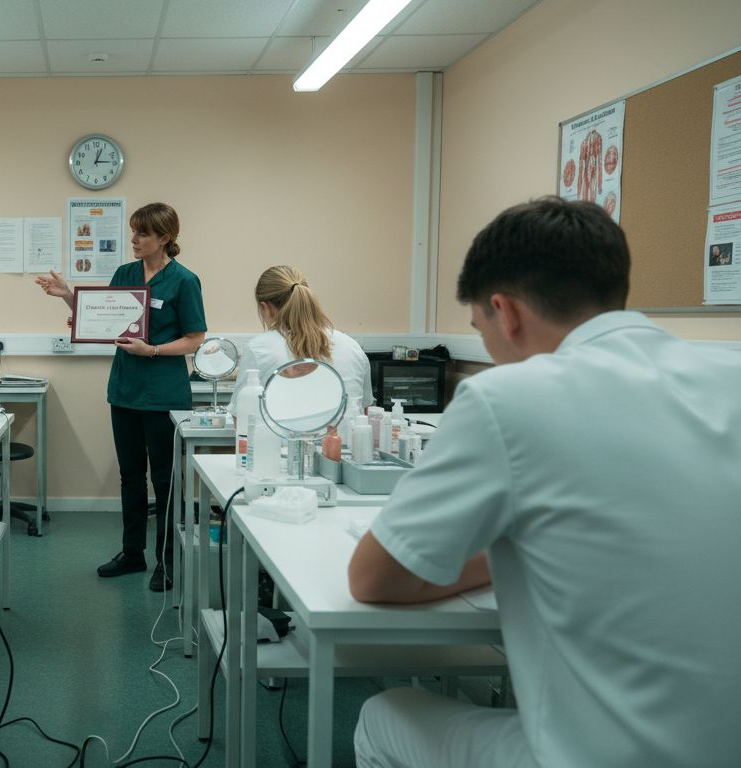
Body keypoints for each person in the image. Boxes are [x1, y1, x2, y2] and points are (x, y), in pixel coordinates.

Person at [348, 197, 741, 768]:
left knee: (384, 715)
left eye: (481, 331)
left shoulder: (507, 397)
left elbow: (375, 577)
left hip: (605, 756)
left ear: (504, 312)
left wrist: (508, 548)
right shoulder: (728, 371)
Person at [35, 202, 207, 591]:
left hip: (164, 394)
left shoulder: (184, 281)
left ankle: (167, 561)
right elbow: (106, 316)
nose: (134, 239)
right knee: (131, 476)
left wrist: (155, 350)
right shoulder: (125, 273)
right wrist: (69, 298)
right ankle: (133, 553)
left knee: (165, 480)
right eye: (133, 231)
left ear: (164, 237)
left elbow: (196, 338)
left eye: (142, 233)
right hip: (125, 390)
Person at [237, 265, 373, 414]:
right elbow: (364, 411)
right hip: (344, 437)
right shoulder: (352, 347)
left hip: (281, 437)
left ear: (266, 307)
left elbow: (242, 420)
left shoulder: (258, 348)